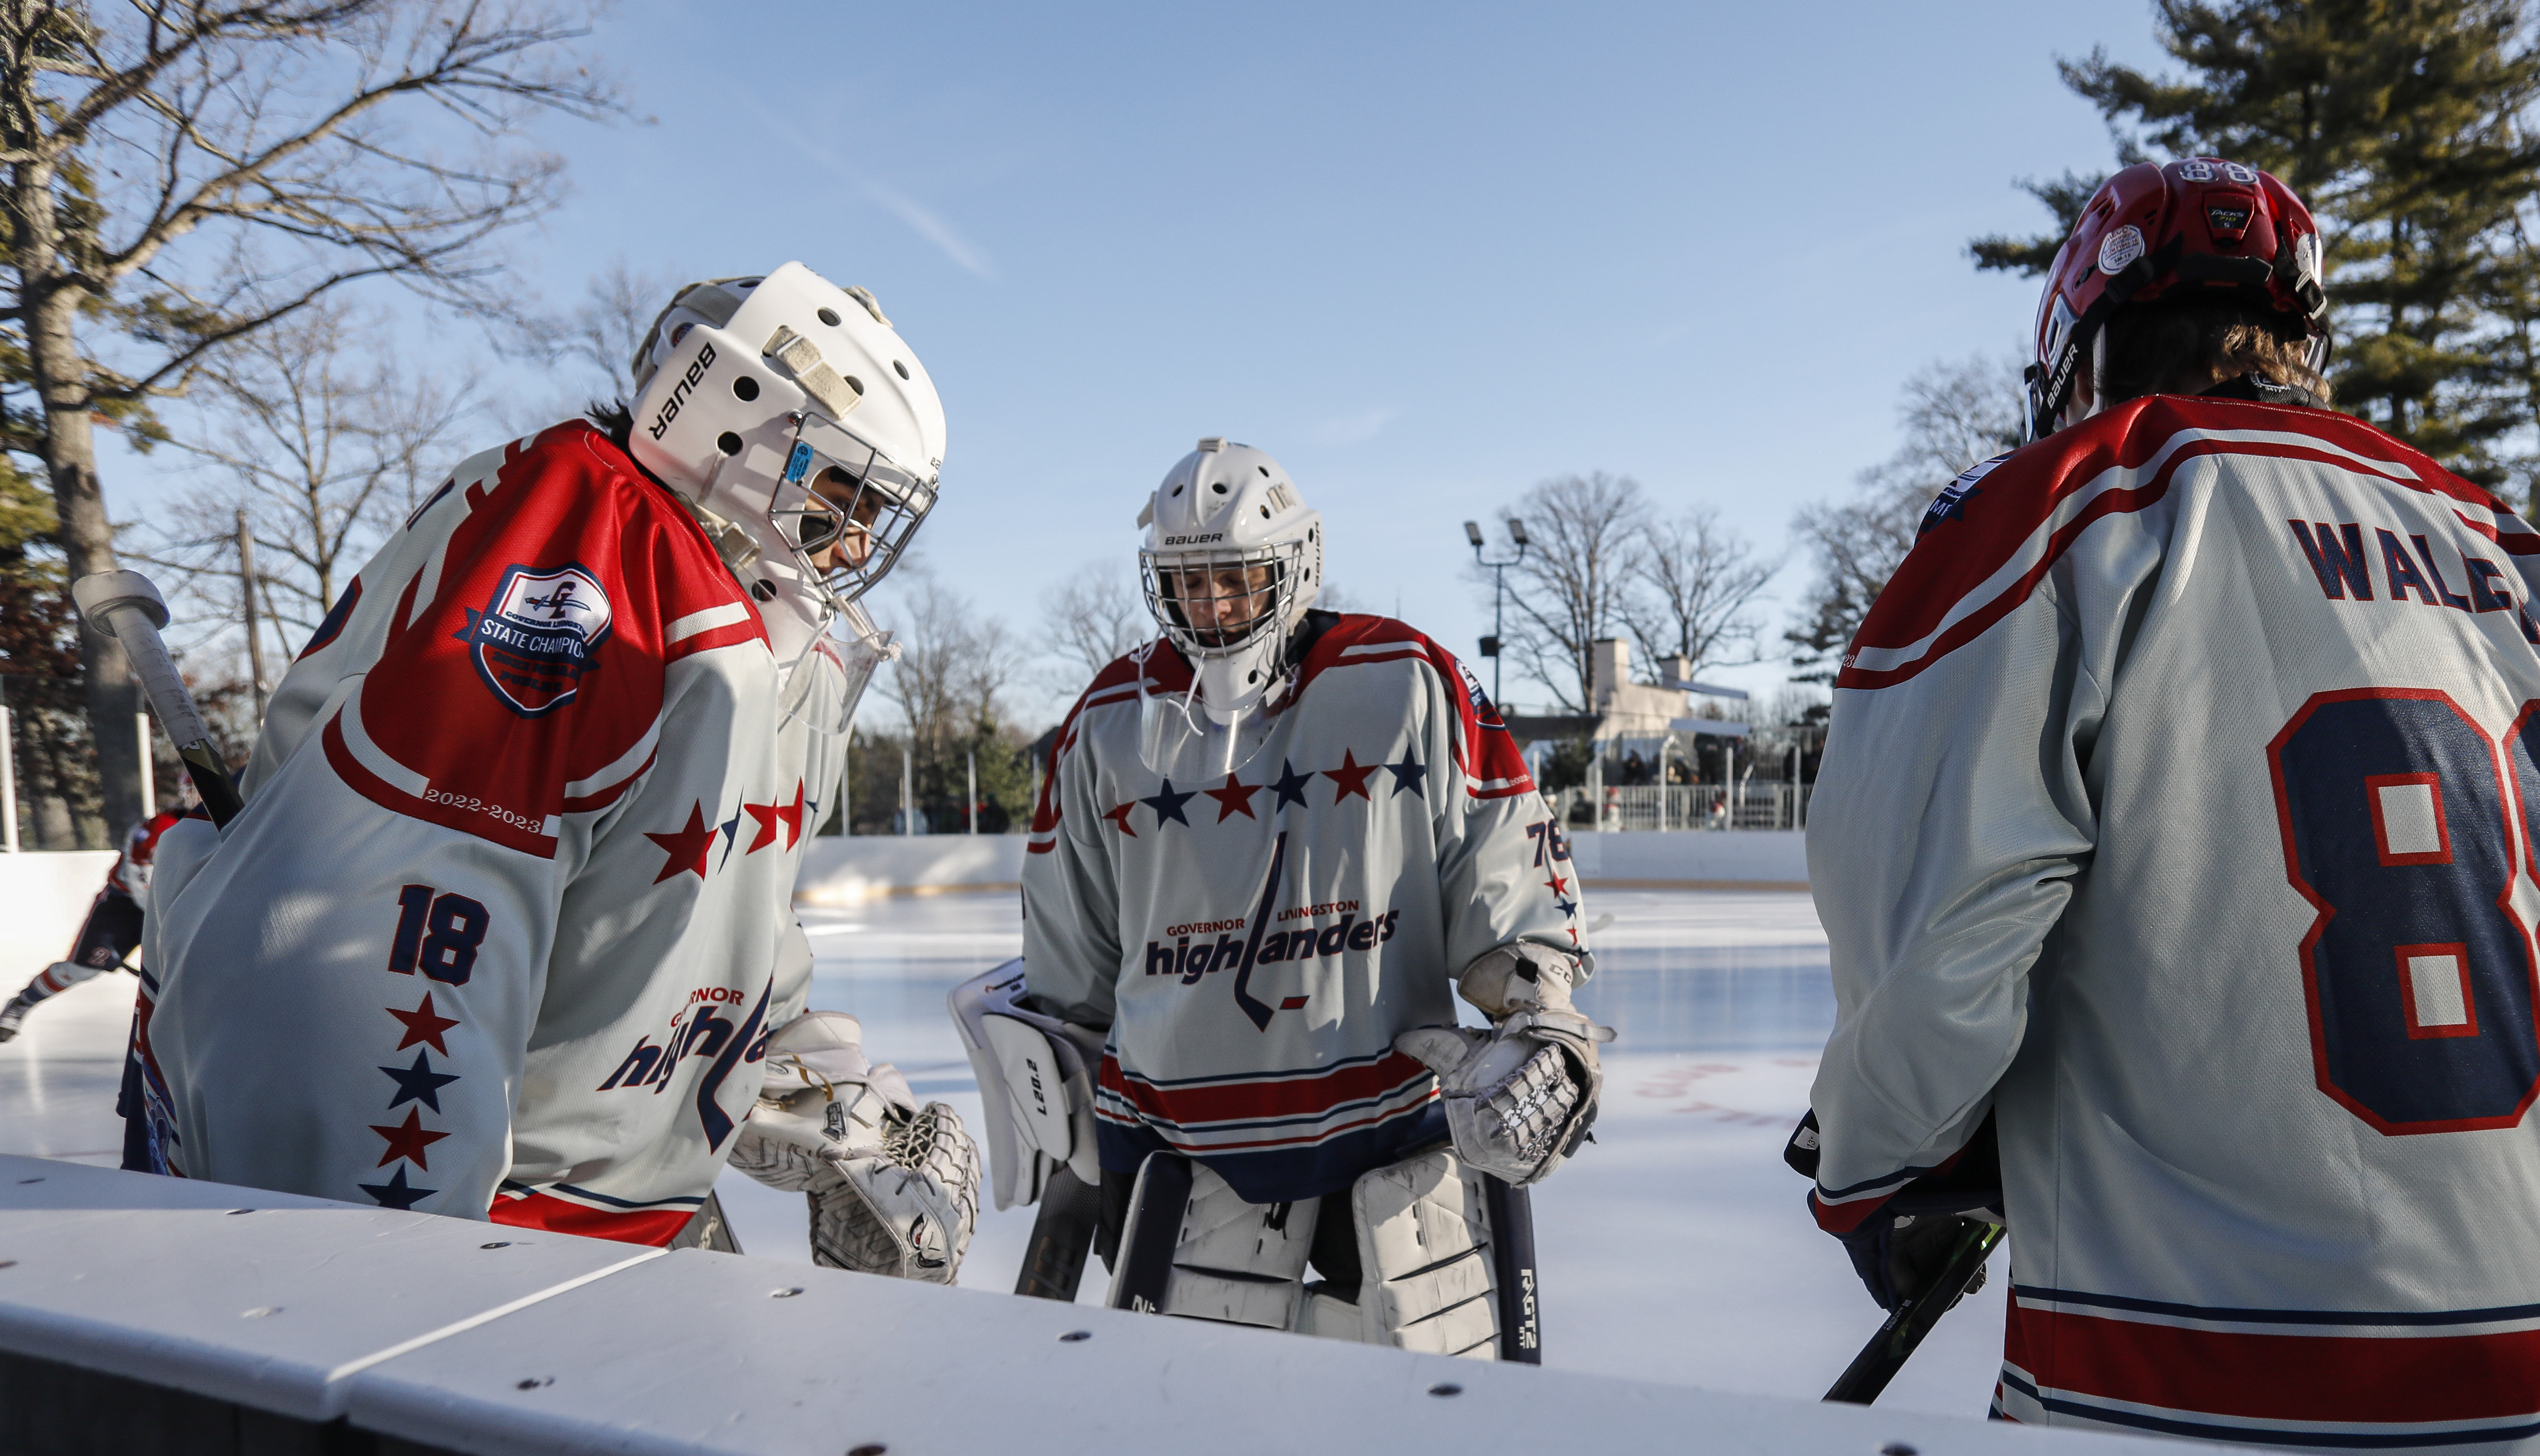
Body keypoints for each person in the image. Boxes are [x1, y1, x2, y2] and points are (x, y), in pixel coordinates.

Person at [1793, 159, 2540, 1456]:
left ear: (2078, 354)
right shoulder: (2504, 543)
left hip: (2204, 1371)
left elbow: (1940, 969)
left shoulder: (2068, 504)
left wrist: (1879, 1172)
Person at [140, 264, 979, 1273]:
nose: (853, 546)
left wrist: (809, 1090)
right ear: (731, 417)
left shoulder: (757, 629)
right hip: (515, 1250)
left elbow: (704, 920)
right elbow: (402, 933)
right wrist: (398, 1269)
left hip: (619, 1224)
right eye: (840, 495)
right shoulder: (585, 553)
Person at [956, 438, 1610, 1358]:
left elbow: (1500, 859)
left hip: (1394, 1148)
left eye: (1237, 579)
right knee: (1198, 1455)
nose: (1213, 607)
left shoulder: (1407, 681)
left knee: (1420, 1450)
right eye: (1189, 584)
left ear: (1294, 566)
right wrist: (1062, 1098)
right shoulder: (1109, 722)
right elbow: (1072, 949)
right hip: (1180, 1166)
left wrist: (1535, 1005)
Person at [0, 801, 203, 1043]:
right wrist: (168, 919)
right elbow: (141, 883)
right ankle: (23, 1003)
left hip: (179, 907)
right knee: (83, 968)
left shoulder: (228, 822)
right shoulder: (162, 826)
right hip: (124, 907)